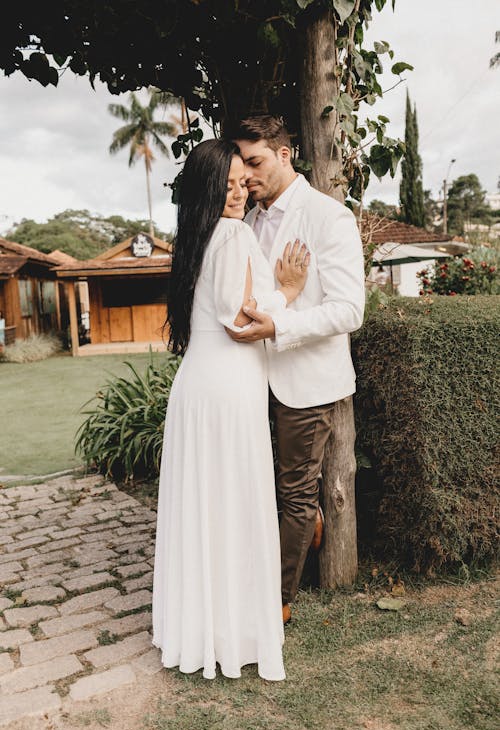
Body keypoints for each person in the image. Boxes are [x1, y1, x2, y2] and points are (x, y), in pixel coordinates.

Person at [152, 138, 309, 681]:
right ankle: (234, 631)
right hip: (228, 389)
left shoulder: (194, 239)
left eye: (244, 184)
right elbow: (241, 326)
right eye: (228, 186)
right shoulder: (236, 235)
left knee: (206, 507)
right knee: (233, 504)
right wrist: (286, 292)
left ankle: (199, 628)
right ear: (207, 190)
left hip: (198, 387)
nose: (239, 194)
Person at [226, 116, 365, 625]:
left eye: (256, 163)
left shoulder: (329, 218)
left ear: (286, 155)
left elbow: (350, 310)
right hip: (249, 378)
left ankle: (277, 600)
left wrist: (278, 329)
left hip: (306, 381)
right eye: (243, 167)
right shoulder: (245, 221)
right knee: (260, 484)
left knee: (295, 492)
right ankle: (307, 520)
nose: (249, 178)